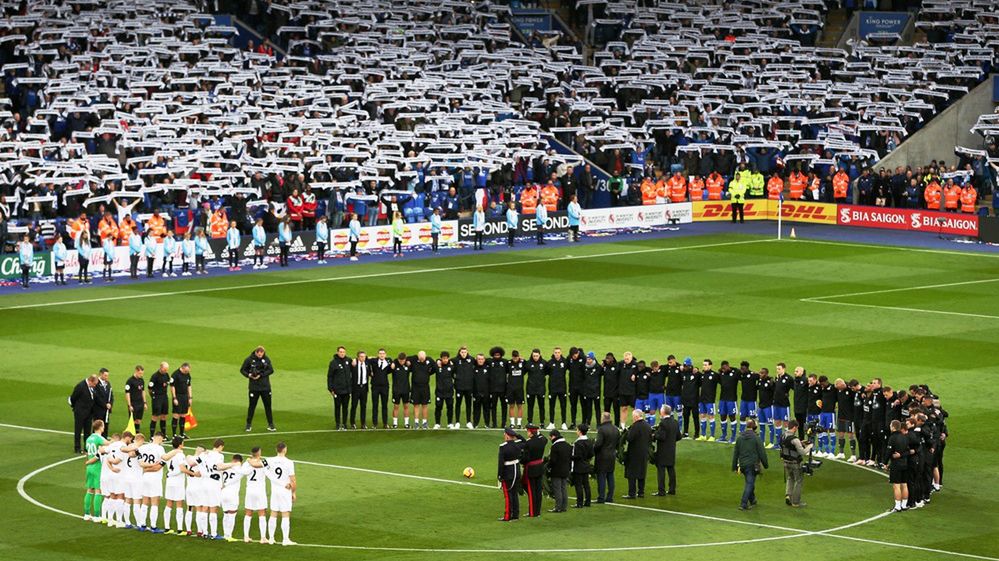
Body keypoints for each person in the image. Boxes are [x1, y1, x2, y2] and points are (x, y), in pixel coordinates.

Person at [732, 418, 768, 510]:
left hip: (743, 465)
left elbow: (736, 453)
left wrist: (734, 466)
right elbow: (762, 453)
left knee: (749, 481)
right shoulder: (756, 438)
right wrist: (765, 464)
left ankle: (752, 500)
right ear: (755, 427)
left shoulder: (740, 438)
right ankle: (743, 503)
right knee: (750, 483)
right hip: (753, 465)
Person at [265, 442, 297, 545]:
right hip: (285, 491)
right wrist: (294, 492)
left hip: (275, 491)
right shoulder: (289, 462)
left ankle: (271, 538)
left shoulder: (269, 460)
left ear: (276, 450)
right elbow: (293, 480)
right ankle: (285, 539)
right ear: (284, 450)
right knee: (285, 514)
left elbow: (259, 464)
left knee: (273, 513)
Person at [137, 432, 167, 532]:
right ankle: (153, 526)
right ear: (160, 438)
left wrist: (145, 469)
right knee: (154, 502)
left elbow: (139, 459)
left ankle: (142, 525)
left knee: (145, 501)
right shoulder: (160, 448)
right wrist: (152, 466)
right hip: (155, 478)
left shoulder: (143, 447)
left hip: (144, 477)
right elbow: (159, 466)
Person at [241, 346, 276, 432]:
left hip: (265, 387)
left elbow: (271, 370)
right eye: (259, 353)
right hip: (254, 387)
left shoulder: (266, 359)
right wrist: (249, 375)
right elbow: (242, 370)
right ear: (256, 352)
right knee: (252, 406)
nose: (260, 355)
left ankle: (271, 425)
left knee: (268, 406)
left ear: (263, 353)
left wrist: (261, 375)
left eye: (262, 353)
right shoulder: (249, 359)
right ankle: (248, 425)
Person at [780, 419, 812, 508]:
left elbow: (787, 446)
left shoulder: (783, 435)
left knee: (790, 478)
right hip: (795, 463)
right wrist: (809, 446)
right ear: (794, 427)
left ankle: (788, 495)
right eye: (796, 428)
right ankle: (796, 502)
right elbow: (802, 452)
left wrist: (801, 443)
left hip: (786, 462)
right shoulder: (795, 439)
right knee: (799, 481)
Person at [241, 446, 269, 543]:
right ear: (259, 452)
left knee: (248, 513)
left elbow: (243, 472)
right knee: (262, 513)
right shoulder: (263, 462)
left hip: (250, 490)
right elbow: (268, 473)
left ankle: (246, 536)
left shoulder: (246, 463)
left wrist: (249, 462)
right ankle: (263, 538)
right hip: (260, 490)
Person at [622, 409, 651, 499]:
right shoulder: (647, 425)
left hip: (634, 453)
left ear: (636, 416)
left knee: (632, 474)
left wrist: (626, 433)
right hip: (644, 453)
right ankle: (641, 492)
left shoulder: (635, 426)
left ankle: (632, 493)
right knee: (642, 472)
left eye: (633, 416)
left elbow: (630, 438)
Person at [497, 428, 524, 522]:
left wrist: (499, 475)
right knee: (514, 494)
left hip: (508, 473)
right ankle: (515, 515)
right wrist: (517, 435)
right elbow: (525, 442)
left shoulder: (503, 447)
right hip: (517, 471)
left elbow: (501, 463)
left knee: (508, 496)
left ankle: (507, 516)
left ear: (508, 436)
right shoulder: (518, 445)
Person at [83, 419, 108, 521]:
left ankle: (86, 514)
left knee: (89, 490)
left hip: (89, 467)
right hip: (97, 466)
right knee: (98, 490)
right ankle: (97, 516)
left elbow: (87, 452)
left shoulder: (89, 438)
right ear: (101, 427)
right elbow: (108, 444)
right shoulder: (99, 438)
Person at [653, 405, 680, 496]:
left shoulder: (663, 423)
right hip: (672, 450)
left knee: (661, 470)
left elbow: (662, 436)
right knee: (671, 469)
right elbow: (678, 436)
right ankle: (672, 489)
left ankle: (661, 491)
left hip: (663, 451)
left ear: (663, 412)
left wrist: (655, 434)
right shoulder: (675, 422)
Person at [593, 412, 619, 503]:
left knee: (601, 476)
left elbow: (598, 444)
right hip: (612, 455)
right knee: (610, 475)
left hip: (602, 456)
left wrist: (594, 449)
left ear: (603, 418)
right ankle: (610, 497)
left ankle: (601, 497)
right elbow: (618, 444)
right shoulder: (616, 429)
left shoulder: (602, 429)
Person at [887, 419, 911, 512]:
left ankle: (897, 506)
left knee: (896, 485)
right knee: (904, 484)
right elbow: (908, 451)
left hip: (896, 465)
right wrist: (901, 455)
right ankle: (904, 505)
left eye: (890, 425)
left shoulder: (892, 437)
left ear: (893, 427)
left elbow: (888, 451)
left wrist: (885, 462)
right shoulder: (905, 437)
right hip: (905, 463)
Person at [327, 346, 351, 430]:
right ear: (337, 352)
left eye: (343, 352)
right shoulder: (333, 363)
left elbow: (359, 361)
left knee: (345, 407)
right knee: (337, 407)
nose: (342, 353)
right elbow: (330, 376)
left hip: (347, 390)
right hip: (337, 390)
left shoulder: (348, 360)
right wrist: (330, 389)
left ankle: (344, 423)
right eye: (340, 352)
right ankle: (337, 423)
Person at [547, 429, 571, 513]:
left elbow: (553, 460)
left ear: (553, 436)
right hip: (565, 470)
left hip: (556, 471)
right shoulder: (567, 445)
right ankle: (564, 507)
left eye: (550, 437)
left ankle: (558, 507)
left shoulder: (555, 446)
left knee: (557, 489)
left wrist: (548, 467)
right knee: (563, 488)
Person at [571, 423, 594, 508]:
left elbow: (578, 456)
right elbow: (591, 454)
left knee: (579, 485)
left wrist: (570, 457)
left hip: (578, 466)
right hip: (586, 465)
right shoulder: (589, 442)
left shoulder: (578, 443)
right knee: (586, 484)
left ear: (580, 431)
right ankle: (588, 501)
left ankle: (579, 503)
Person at [410, 351, 435, 429]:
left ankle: (424, 423)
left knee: (425, 405)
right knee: (416, 405)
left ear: (425, 356)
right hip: (415, 387)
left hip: (425, 387)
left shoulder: (429, 360)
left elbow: (435, 367)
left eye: (423, 359)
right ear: (418, 357)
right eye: (420, 358)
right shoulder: (414, 359)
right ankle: (416, 423)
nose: (421, 360)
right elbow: (404, 358)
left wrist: (429, 372)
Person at [453, 346, 475, 429]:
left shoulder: (472, 360)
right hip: (459, 387)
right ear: (459, 352)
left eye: (465, 352)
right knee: (458, 404)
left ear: (467, 352)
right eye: (462, 352)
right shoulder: (455, 360)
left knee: (469, 404)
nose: (463, 354)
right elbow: (447, 364)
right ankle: (457, 422)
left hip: (469, 387)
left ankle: (469, 422)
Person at [148, 362, 171, 440]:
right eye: (165, 369)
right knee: (155, 416)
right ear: (161, 368)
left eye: (167, 370)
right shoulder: (155, 376)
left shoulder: (166, 375)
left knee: (164, 415)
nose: (166, 371)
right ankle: (151, 435)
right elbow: (150, 388)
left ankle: (163, 434)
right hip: (157, 397)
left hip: (164, 396)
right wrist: (153, 397)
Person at [547, 347, 568, 430]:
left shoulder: (565, 361)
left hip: (562, 388)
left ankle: (564, 423)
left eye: (558, 352)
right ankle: (551, 423)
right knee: (551, 406)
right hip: (552, 388)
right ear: (553, 353)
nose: (557, 354)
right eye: (555, 352)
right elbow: (546, 372)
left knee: (563, 406)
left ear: (561, 353)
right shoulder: (549, 362)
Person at [370, 349, 392, 429]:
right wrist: (369, 373)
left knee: (384, 405)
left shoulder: (388, 362)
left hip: (385, 386)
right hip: (375, 386)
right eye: (380, 353)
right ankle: (374, 423)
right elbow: (364, 361)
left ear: (385, 355)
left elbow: (392, 365)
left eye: (383, 353)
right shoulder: (373, 361)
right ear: (378, 354)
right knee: (375, 405)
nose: (382, 355)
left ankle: (385, 423)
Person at [170, 363, 193, 439]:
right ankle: (174, 434)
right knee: (176, 415)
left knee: (183, 415)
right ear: (182, 368)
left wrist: (190, 397)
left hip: (185, 396)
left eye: (188, 371)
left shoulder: (187, 374)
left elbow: (189, 385)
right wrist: (174, 398)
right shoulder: (175, 375)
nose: (187, 372)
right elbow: (172, 387)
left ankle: (182, 433)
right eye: (186, 371)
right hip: (178, 396)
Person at [524, 349, 547, 427]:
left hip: (541, 389)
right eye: (534, 356)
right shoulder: (528, 363)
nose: (535, 357)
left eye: (537, 356)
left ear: (539, 355)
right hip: (530, 389)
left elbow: (547, 372)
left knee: (541, 406)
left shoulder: (544, 363)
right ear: (532, 355)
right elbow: (523, 372)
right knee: (530, 406)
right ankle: (530, 422)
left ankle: (542, 422)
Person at [434, 351, 456, 429]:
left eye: (446, 358)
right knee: (438, 407)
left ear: (448, 358)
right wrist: (437, 361)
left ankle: (450, 423)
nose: (445, 360)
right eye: (443, 358)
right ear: (441, 359)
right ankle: (437, 424)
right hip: (439, 392)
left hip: (449, 392)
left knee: (450, 407)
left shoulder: (452, 367)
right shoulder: (437, 366)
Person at [390, 352, 412, 429]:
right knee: (396, 406)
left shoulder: (408, 365)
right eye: (400, 360)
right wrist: (394, 362)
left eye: (403, 361)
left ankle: (406, 423)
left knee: (406, 406)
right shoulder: (394, 365)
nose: (401, 362)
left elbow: (416, 358)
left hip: (406, 389)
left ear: (405, 360)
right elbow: (390, 360)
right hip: (396, 390)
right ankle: (395, 423)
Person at [697, 359, 718, 441]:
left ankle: (712, 436)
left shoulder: (715, 375)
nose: (704, 366)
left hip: (710, 400)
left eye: (706, 365)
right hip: (702, 399)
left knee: (711, 417)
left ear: (710, 365)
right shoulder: (702, 375)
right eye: (703, 365)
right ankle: (703, 435)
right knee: (702, 416)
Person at [123, 366, 147, 434]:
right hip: (133, 404)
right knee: (132, 421)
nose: (141, 375)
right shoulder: (130, 381)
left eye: (142, 373)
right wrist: (129, 405)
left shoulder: (141, 380)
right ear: (136, 371)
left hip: (140, 403)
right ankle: (131, 436)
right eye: (140, 373)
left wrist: (144, 402)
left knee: (138, 420)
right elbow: (127, 393)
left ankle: (136, 434)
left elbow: (143, 391)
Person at [580, 352, 602, 428]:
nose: (588, 360)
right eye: (587, 359)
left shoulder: (598, 367)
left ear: (593, 359)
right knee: (588, 408)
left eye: (589, 359)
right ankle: (588, 423)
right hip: (587, 391)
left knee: (597, 408)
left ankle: (598, 424)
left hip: (596, 391)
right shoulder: (584, 367)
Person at [680, 357, 699, 437]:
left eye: (686, 365)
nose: (684, 367)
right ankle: (686, 432)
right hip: (685, 400)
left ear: (690, 366)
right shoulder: (683, 373)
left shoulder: (696, 374)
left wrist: (697, 370)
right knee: (686, 417)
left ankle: (697, 433)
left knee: (695, 417)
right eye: (684, 365)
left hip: (694, 400)